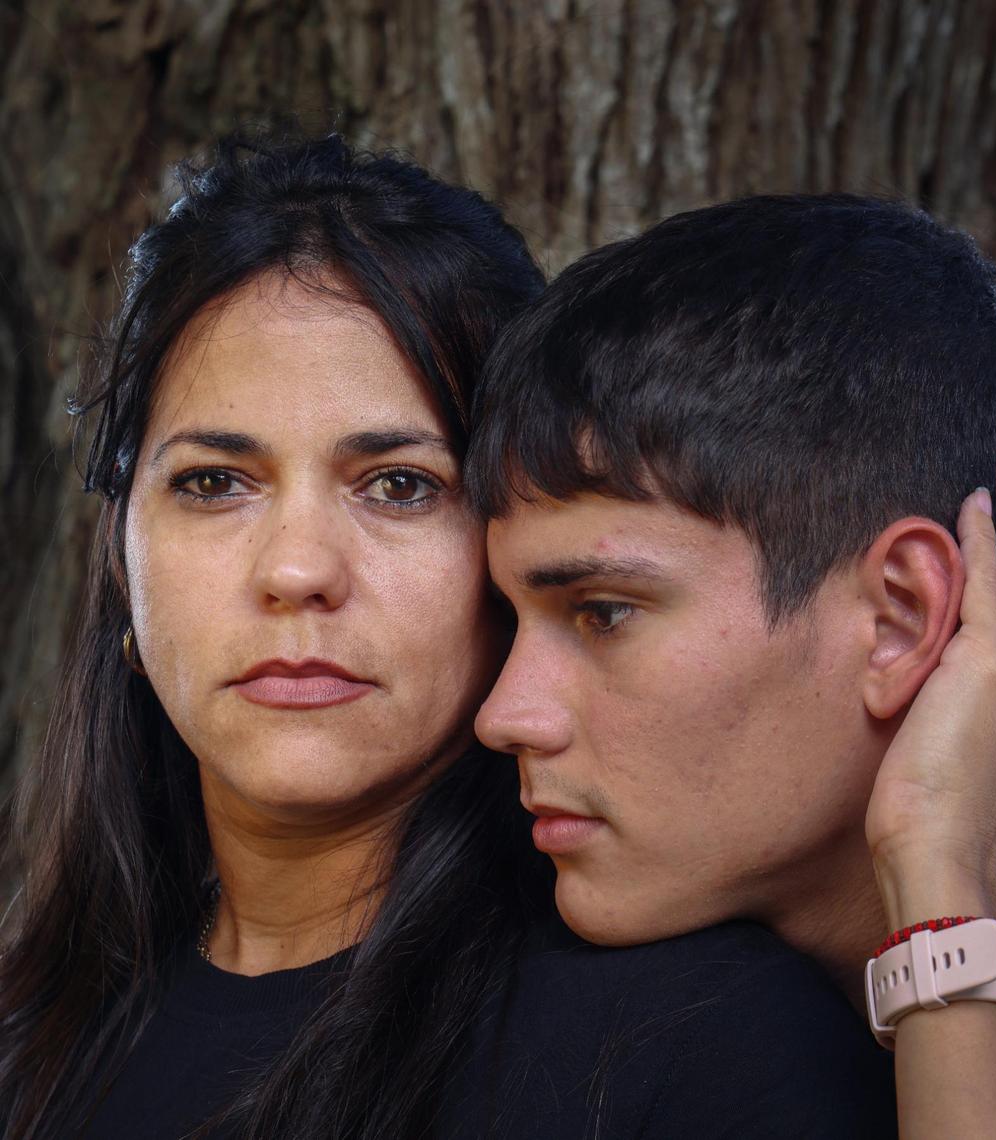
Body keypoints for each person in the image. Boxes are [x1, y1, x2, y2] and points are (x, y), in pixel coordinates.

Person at [0, 136, 906, 1140]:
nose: (298, 570)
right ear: (122, 569)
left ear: (514, 556)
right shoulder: (30, 1043)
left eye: (400, 485)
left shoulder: (704, 1049)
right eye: (214, 483)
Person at [468, 193, 996, 1139]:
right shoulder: (504, 964)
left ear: (899, 619)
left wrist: (939, 877)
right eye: (509, 618)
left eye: (604, 612)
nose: (503, 714)